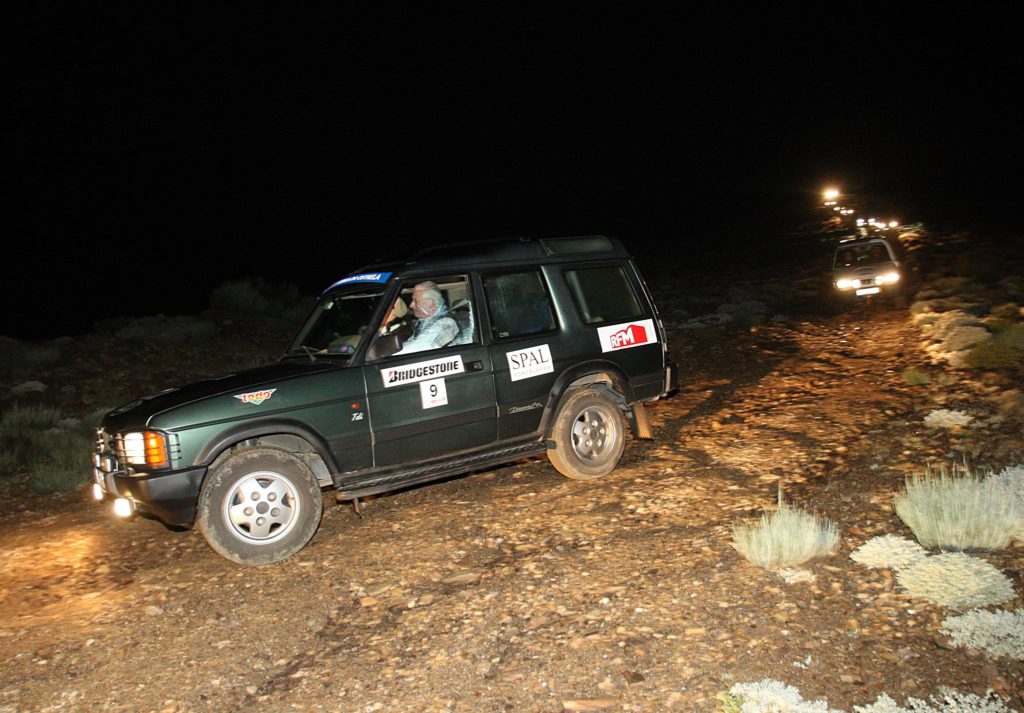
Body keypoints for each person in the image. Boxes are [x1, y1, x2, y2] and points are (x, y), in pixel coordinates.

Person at [393, 281, 459, 354]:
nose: (411, 305)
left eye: (415, 301)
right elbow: (412, 341)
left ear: (429, 302)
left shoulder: (446, 323)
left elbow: (415, 349)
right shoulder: (423, 321)